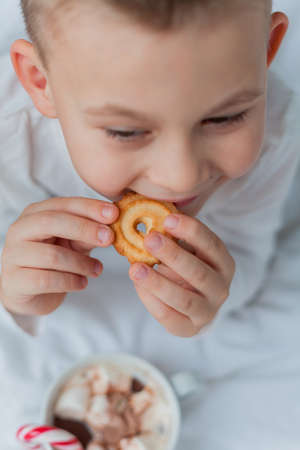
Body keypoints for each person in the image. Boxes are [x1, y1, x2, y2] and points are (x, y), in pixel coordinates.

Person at [0, 0, 300, 448]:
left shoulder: (276, 134)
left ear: (268, 47)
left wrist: (213, 297)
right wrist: (15, 290)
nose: (181, 176)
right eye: (125, 131)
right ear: (41, 83)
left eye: (223, 118)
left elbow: (248, 254)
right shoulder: (11, 136)